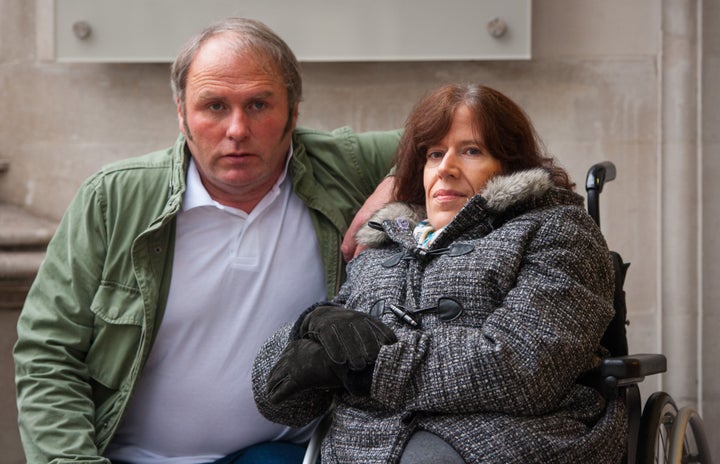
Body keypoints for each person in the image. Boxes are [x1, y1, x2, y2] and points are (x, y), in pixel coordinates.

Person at [13, 17, 400, 464]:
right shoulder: (114, 199)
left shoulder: (341, 167)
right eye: (214, 106)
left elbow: (482, 129)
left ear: (293, 112)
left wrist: (394, 183)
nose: (237, 129)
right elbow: (48, 352)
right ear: (181, 113)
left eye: (258, 105)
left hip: (280, 454)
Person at [252, 84, 627, 463]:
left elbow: (525, 367)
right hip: (367, 442)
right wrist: (310, 328)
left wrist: (370, 367)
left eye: (470, 151)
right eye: (434, 154)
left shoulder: (556, 231)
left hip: (507, 434)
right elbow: (283, 404)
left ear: (509, 164)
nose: (446, 168)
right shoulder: (383, 245)